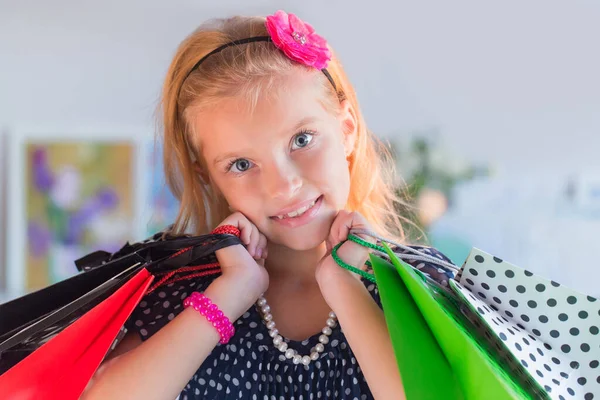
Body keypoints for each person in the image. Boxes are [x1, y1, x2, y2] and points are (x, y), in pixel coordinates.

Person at [82, 10, 454, 400]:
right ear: (208, 175)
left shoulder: (419, 287)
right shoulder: (178, 296)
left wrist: (344, 286)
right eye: (241, 164)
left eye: (302, 139)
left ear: (346, 129)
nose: (283, 187)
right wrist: (231, 293)